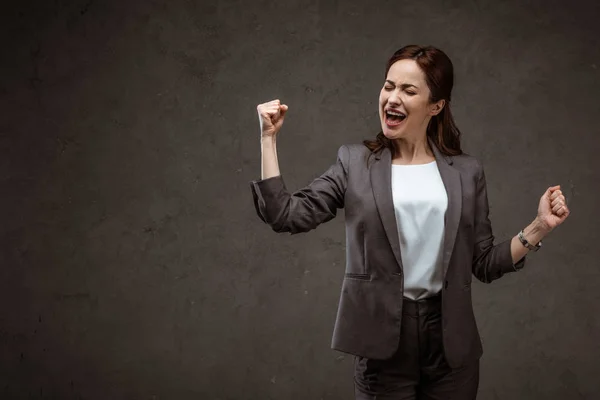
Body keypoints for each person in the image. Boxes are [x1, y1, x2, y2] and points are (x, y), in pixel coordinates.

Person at [249, 45, 570, 400]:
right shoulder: (354, 163)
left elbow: (483, 263)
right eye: (389, 86)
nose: (392, 98)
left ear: (436, 106)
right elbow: (285, 215)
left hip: (450, 345)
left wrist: (540, 226)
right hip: (384, 343)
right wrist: (268, 139)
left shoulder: (466, 172)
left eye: (408, 90)